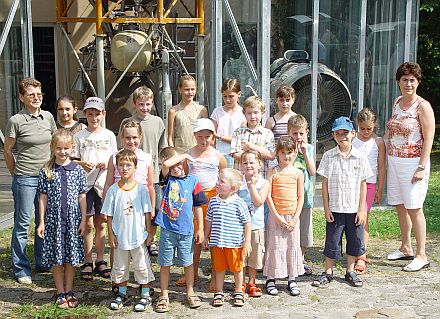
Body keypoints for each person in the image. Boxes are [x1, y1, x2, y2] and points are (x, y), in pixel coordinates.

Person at [4, 77, 57, 284]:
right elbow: (8, 150)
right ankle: (20, 268)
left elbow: (54, 144)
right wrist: (15, 173)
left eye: (38, 94)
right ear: (21, 97)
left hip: (46, 177)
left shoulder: (48, 117)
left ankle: (42, 262)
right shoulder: (16, 120)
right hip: (25, 178)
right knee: (23, 223)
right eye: (31, 94)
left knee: (43, 220)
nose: (36, 98)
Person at [385, 62, 435, 272]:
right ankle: (406, 247)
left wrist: (421, 166)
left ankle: (421, 254)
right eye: (404, 79)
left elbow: (429, 137)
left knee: (414, 208)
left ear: (418, 82)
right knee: (400, 204)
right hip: (394, 161)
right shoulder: (397, 102)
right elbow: (391, 132)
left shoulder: (422, 106)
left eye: (412, 80)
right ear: (398, 82)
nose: (408, 83)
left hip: (413, 163)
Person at [313, 116, 372, 288]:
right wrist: (326, 207)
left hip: (354, 208)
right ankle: (328, 271)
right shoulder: (328, 156)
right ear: (333, 135)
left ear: (353, 133)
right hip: (336, 207)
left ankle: (350, 271)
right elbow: (324, 184)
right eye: (338, 134)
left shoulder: (360, 157)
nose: (342, 137)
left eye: (345, 133)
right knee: (332, 240)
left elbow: (363, 184)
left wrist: (362, 209)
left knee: (354, 240)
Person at [36, 129, 87, 308]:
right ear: (53, 148)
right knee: (57, 257)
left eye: (66, 148)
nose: (63, 152)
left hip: (73, 220)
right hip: (53, 221)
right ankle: (60, 291)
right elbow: (43, 197)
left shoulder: (78, 170)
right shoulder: (46, 170)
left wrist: (82, 220)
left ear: (72, 148)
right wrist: (41, 221)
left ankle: (69, 289)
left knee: (70, 257)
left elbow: (82, 196)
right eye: (59, 148)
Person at [103, 119, 155, 295]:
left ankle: (143, 283)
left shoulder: (146, 157)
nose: (131, 141)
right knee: (118, 243)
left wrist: (152, 208)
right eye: (127, 138)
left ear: (140, 137)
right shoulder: (114, 157)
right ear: (121, 138)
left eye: (134, 137)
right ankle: (117, 281)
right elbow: (109, 181)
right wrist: (106, 205)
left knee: (139, 244)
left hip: (139, 205)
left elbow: (149, 184)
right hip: (118, 203)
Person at [175, 118, 227, 291]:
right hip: (194, 199)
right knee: (194, 238)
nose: (203, 141)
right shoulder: (189, 154)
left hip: (213, 197)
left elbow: (223, 177)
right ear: (194, 135)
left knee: (213, 238)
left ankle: (215, 275)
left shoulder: (218, 156)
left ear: (212, 137)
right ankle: (192, 273)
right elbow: (187, 176)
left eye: (207, 137)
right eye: (200, 137)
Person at [155, 147, 208, 313]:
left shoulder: (193, 181)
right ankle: (164, 294)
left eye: (180, 164)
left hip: (186, 231)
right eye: (174, 165)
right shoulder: (167, 179)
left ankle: (190, 292)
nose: (176, 168)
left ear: (185, 164)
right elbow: (165, 163)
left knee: (188, 263)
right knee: (165, 263)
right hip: (167, 229)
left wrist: (200, 229)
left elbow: (198, 207)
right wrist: (184, 155)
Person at [72, 97, 118, 281]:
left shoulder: (109, 135)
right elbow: (72, 160)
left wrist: (106, 164)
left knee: (102, 223)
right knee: (88, 223)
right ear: (85, 115)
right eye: (90, 113)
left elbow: (115, 159)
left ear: (103, 114)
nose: (94, 117)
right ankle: (87, 260)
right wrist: (83, 163)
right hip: (85, 185)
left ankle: (101, 259)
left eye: (97, 113)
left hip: (103, 184)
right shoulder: (79, 136)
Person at [127, 86, 168, 255]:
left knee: (155, 208)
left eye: (148, 104)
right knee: (134, 208)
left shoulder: (158, 122)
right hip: (133, 174)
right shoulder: (129, 122)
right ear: (135, 104)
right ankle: (134, 237)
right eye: (141, 104)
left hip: (153, 174)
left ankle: (151, 238)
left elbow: (163, 147)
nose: (145, 108)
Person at [204, 168, 251, 307]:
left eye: (221, 181)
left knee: (237, 268)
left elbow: (247, 222)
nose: (217, 183)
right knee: (219, 268)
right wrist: (206, 236)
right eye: (218, 180)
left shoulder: (239, 203)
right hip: (217, 243)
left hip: (235, 243)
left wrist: (247, 241)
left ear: (233, 187)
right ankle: (219, 291)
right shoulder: (213, 201)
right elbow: (209, 220)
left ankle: (238, 291)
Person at [264, 136, 304, 296]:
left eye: (290, 152)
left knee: (292, 246)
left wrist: (295, 218)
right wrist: (277, 217)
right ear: (277, 153)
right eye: (283, 152)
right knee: (274, 245)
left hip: (292, 216)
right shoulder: (272, 172)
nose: (286, 156)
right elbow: (268, 196)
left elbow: (301, 197)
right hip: (275, 217)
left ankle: (292, 278)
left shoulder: (298, 173)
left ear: (294, 153)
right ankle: (270, 278)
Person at [352, 108, 386, 274]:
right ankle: (353, 249)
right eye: (362, 128)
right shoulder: (352, 139)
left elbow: (381, 167)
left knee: (363, 217)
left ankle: (362, 254)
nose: (365, 132)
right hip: (352, 183)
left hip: (370, 184)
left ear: (375, 126)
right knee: (352, 216)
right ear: (358, 125)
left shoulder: (378, 142)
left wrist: (380, 189)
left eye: (369, 128)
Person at [238, 150, 270, 297]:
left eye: (252, 162)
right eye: (245, 162)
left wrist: (251, 186)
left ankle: (252, 281)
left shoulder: (264, 183)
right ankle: (240, 282)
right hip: (239, 227)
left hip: (256, 226)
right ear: (241, 165)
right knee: (241, 256)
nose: (248, 165)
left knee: (254, 256)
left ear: (260, 164)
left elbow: (258, 202)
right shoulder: (238, 182)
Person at [287, 114, 316, 276]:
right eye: (294, 134)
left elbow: (312, 171)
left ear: (307, 133)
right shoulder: (285, 149)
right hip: (289, 199)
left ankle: (301, 259)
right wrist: (293, 153)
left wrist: (304, 153)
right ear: (288, 133)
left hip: (305, 198)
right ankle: (289, 259)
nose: (298, 137)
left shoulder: (310, 149)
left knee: (303, 231)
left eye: (301, 133)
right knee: (290, 230)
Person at [230, 96, 275, 178]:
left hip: (260, 177)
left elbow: (270, 155)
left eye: (256, 112)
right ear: (244, 114)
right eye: (249, 113)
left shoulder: (267, 133)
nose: (253, 116)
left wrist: (251, 147)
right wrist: (259, 152)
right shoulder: (238, 132)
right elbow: (236, 154)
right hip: (241, 178)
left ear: (262, 113)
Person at [167, 75, 208, 154]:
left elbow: (206, 134)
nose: (190, 92)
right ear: (180, 89)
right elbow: (170, 137)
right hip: (180, 153)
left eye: (192, 89)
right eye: (186, 89)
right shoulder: (173, 111)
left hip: (198, 153)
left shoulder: (202, 110)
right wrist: (173, 155)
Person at [210, 78, 246, 167]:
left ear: (239, 94)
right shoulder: (217, 112)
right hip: (219, 153)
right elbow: (212, 136)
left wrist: (220, 137)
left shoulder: (243, 113)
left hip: (236, 154)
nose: (227, 100)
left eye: (231, 96)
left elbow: (239, 139)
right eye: (225, 96)